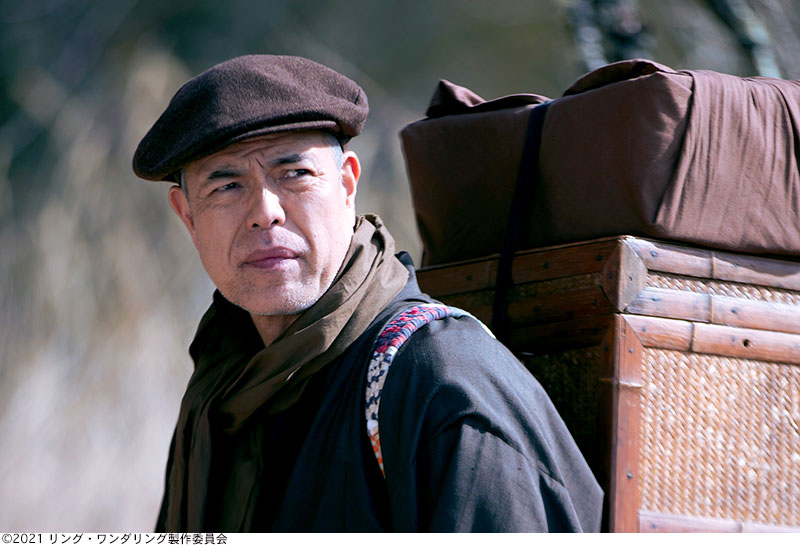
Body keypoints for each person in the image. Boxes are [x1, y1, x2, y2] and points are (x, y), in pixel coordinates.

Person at [132, 54, 603, 532]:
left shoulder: (440, 381)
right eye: (228, 185)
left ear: (347, 184)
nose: (265, 212)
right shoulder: (221, 382)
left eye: (294, 174)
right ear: (187, 216)